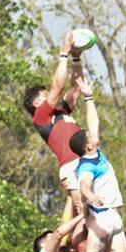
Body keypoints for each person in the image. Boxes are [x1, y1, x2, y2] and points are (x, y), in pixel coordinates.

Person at [58, 75, 126, 252]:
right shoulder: (87, 165)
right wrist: (90, 196)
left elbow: (94, 122)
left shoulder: (96, 153)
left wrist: (88, 97)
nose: (94, 135)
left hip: (115, 219)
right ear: (87, 145)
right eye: (90, 137)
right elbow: (84, 185)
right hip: (101, 217)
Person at [23, 31, 90, 225]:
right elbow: (58, 86)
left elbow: (76, 90)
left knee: (99, 211)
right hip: (71, 166)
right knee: (83, 212)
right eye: (45, 94)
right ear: (37, 102)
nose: (50, 95)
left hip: (87, 160)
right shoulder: (41, 116)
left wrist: (76, 58)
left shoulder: (62, 112)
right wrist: (63, 54)